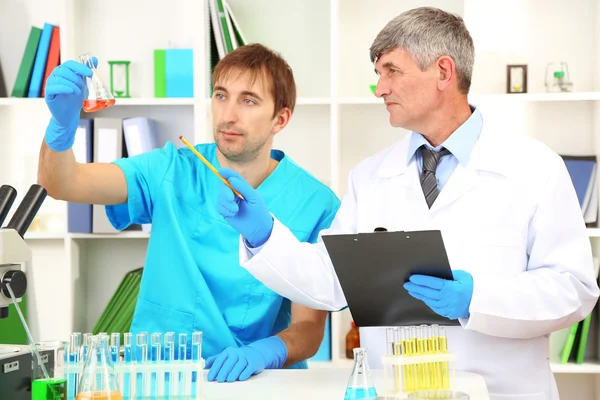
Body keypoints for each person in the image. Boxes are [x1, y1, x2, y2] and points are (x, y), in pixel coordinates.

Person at [215, 7, 600, 399]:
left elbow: (574, 290)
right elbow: (331, 282)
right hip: (397, 391)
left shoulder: (534, 168)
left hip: (501, 392)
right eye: (378, 75)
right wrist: (265, 236)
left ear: (444, 73)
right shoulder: (370, 177)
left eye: (391, 71)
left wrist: (476, 299)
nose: (380, 88)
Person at [38, 43, 340, 383]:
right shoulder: (170, 169)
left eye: (249, 100)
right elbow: (64, 184)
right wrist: (60, 127)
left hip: (252, 381)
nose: (229, 115)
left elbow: (309, 329)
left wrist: (264, 353)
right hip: (156, 376)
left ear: (280, 119)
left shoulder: (316, 202)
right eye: (221, 96)